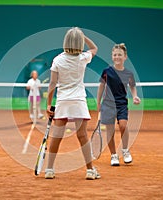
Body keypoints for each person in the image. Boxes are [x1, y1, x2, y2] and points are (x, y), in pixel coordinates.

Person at [46, 27, 100, 180]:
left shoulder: (57, 60)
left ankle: (49, 169)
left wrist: (48, 105)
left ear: (66, 41)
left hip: (63, 101)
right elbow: (95, 48)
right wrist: (84, 36)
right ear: (80, 42)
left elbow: (52, 84)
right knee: (83, 136)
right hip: (78, 101)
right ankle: (90, 170)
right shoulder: (83, 57)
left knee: (56, 137)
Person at [97, 43, 141, 166]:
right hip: (108, 104)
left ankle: (125, 151)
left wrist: (135, 96)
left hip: (122, 104)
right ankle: (113, 155)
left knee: (123, 126)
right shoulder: (106, 71)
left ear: (125, 57)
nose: (117, 57)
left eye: (120, 55)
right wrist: (98, 102)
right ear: (112, 56)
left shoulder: (129, 73)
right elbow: (101, 87)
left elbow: (132, 86)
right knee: (110, 131)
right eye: (115, 55)